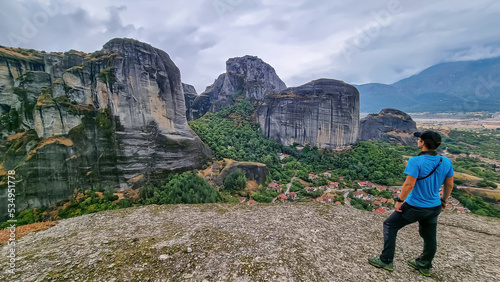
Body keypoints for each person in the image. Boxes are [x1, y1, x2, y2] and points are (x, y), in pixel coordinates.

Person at [368, 131, 454, 277]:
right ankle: (424, 264)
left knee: (390, 225)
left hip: (416, 206)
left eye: (419, 139)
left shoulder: (415, 161)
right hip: (434, 207)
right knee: (429, 236)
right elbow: (449, 184)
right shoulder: (445, 161)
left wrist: (399, 201)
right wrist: (444, 200)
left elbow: (409, 185)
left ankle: (386, 260)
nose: (417, 141)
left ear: (423, 143)